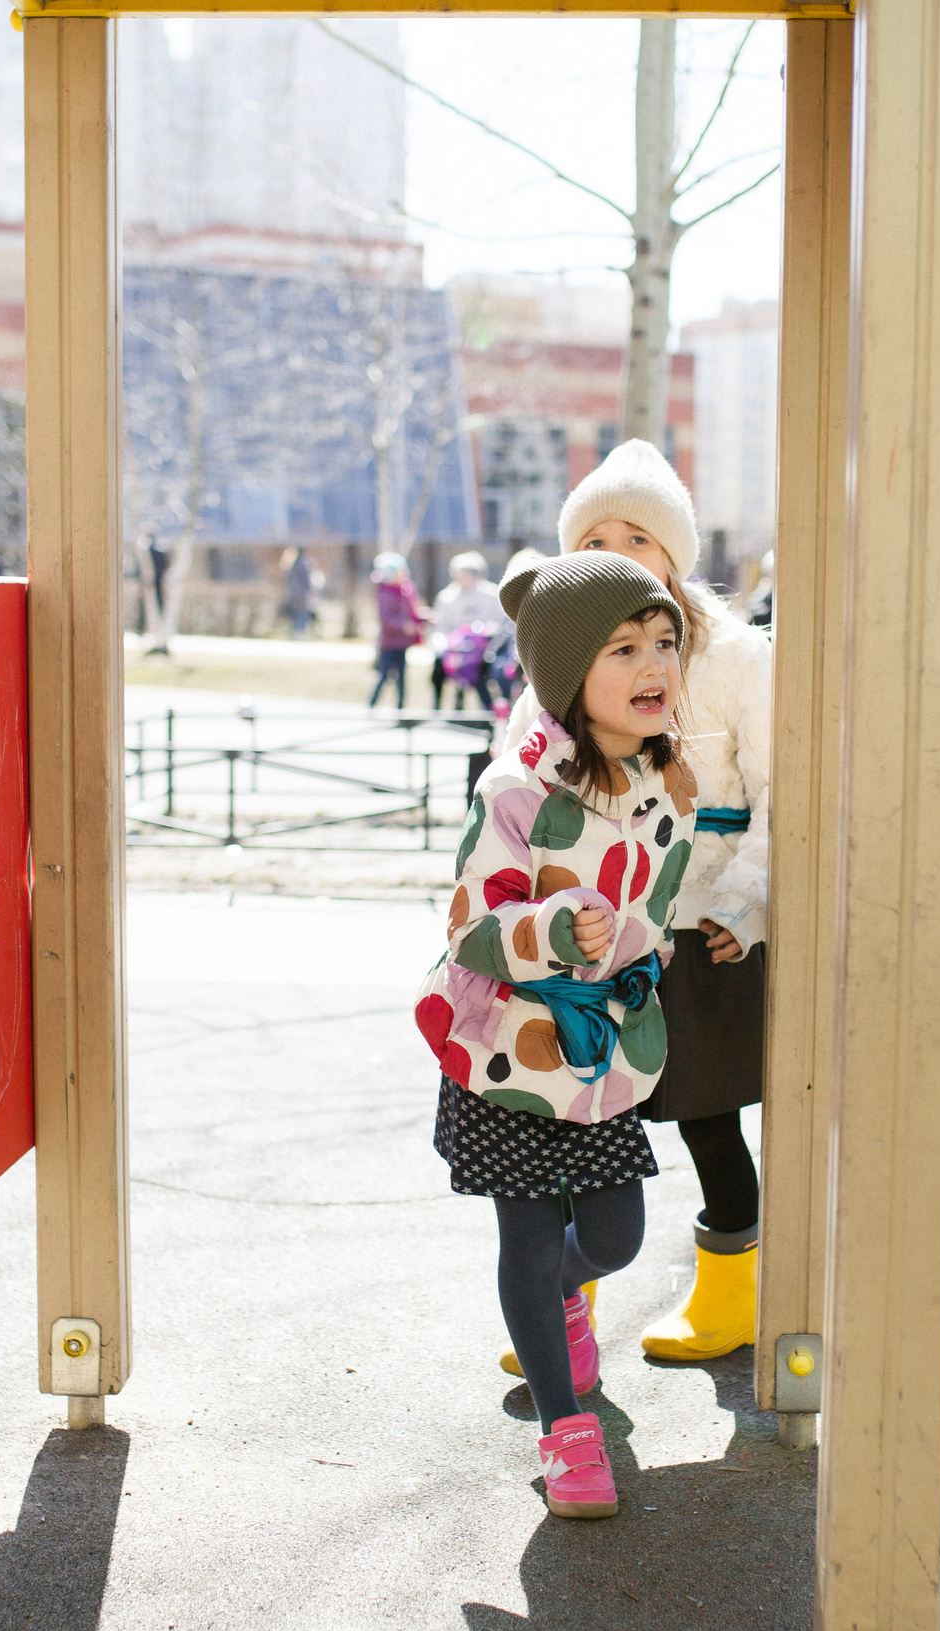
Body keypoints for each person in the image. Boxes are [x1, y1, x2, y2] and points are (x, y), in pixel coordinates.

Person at [415, 551, 696, 1520]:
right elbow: (470, 924)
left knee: (614, 1237)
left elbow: (653, 908)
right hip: (510, 1050)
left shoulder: (667, 781)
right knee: (529, 1242)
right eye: (624, 648)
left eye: (664, 641)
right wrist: (547, 930)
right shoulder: (517, 789)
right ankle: (564, 1429)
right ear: (570, 674)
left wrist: (641, 952)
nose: (655, 663)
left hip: (601, 1051)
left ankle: (561, 1300)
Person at [497, 439, 773, 1372]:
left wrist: (744, 903)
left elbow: (784, 791)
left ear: (674, 554)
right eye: (594, 539)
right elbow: (520, 778)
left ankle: (731, 1294)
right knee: (581, 1116)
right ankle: (563, 1313)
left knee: (707, 1117)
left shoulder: (733, 655)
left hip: (703, 927)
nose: (617, 554)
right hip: (590, 932)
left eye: (639, 538)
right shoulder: (562, 651)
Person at [428, 551, 505, 711]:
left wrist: (482, 636)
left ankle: (487, 711)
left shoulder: (491, 594)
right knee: (439, 668)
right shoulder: (447, 597)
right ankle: (436, 709)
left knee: (484, 670)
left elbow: (499, 622)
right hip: (454, 649)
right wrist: (446, 644)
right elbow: (441, 627)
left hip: (482, 649)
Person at [368, 552, 428, 711]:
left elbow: (412, 610)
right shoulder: (385, 592)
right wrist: (404, 625)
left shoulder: (406, 590)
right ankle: (371, 706)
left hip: (403, 642)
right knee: (384, 675)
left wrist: (422, 618)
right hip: (389, 642)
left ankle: (401, 709)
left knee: (402, 677)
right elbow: (386, 618)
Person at [279, 545, 320, 640]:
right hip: (302, 593)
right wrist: (310, 591)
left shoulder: (292, 564)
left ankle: (295, 633)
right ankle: (299, 633)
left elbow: (288, 580)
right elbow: (307, 579)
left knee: (296, 613)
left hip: (293, 592)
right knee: (302, 613)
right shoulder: (305, 563)